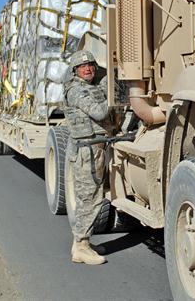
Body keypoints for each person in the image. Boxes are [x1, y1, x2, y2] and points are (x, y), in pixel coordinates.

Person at [64, 50, 111, 265]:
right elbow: (99, 112)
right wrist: (112, 95)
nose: (88, 69)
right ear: (75, 70)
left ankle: (81, 244)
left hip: (94, 148)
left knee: (93, 196)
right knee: (89, 198)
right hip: (87, 152)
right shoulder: (76, 90)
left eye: (91, 65)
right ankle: (81, 246)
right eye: (83, 66)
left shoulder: (91, 87)